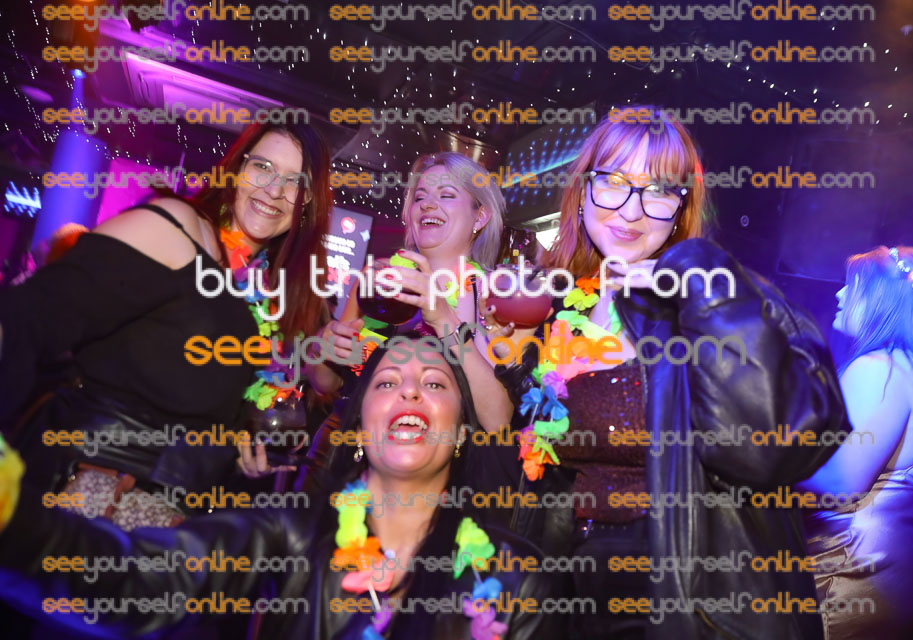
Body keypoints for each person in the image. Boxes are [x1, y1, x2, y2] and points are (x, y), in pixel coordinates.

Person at [491, 107, 850, 639]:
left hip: (685, 598)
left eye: (657, 189)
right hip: (572, 589)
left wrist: (701, 281)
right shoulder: (564, 307)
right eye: (614, 181)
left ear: (681, 208)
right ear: (583, 190)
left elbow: (773, 445)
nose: (630, 210)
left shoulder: (708, 296)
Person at [0, 337, 563, 640]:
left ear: (461, 434)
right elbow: (139, 579)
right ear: (358, 429)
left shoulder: (516, 578)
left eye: (434, 384)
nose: (410, 392)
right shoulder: (291, 531)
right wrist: (13, 517)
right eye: (387, 382)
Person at [0, 121, 334, 528]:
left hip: (172, 525)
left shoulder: (267, 294)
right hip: (96, 500)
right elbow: (30, 316)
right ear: (237, 170)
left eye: (295, 181)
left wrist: (238, 450)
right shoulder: (178, 227)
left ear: (308, 202)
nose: (274, 190)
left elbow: (187, 401)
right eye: (262, 167)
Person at [797, 246, 913, 639]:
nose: (838, 294)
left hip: (850, 574)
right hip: (906, 576)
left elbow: (839, 485)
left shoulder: (878, 369)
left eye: (851, 285)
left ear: (881, 298)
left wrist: (763, 454)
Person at [317, 151, 513, 434]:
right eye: (420, 198)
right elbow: (326, 382)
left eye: (446, 195)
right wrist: (324, 349)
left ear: (480, 217)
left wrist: (444, 319)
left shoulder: (493, 297)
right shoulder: (378, 281)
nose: (427, 205)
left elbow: (497, 420)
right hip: (352, 440)